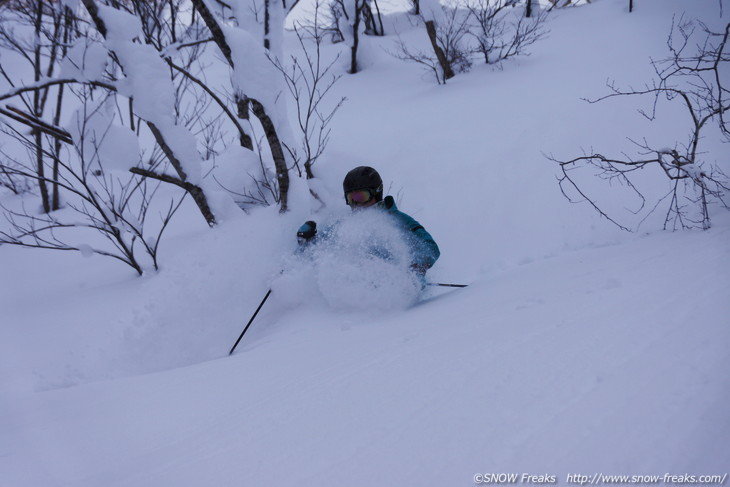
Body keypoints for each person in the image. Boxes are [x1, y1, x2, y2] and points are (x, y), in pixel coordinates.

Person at [296, 166, 440, 278]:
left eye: (361, 197)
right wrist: (307, 240)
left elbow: (430, 247)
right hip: (350, 294)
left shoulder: (398, 220)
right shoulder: (346, 225)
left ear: (377, 193)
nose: (356, 204)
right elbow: (321, 246)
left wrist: (416, 266)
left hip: (396, 293)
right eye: (351, 198)